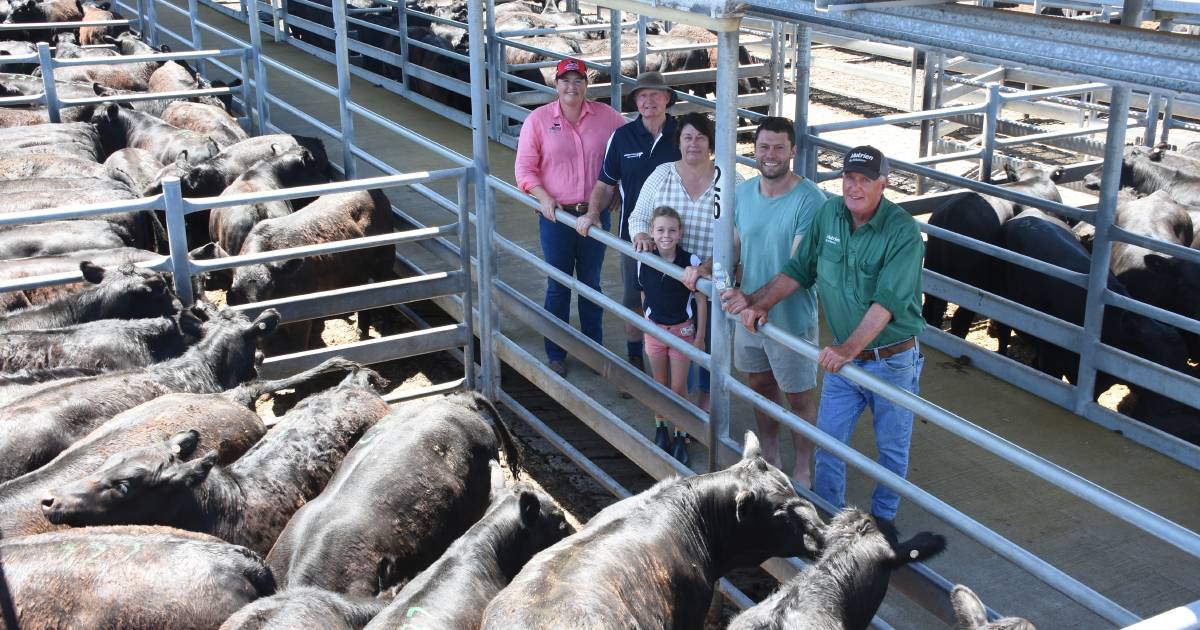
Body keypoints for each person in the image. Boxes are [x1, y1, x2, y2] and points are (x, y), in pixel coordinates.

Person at [729, 145, 925, 525]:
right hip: (844, 361)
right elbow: (799, 269)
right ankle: (831, 519)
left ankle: (883, 524)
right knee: (829, 444)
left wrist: (847, 349)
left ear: (883, 184)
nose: (853, 187)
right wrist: (760, 302)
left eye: (864, 180)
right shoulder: (830, 213)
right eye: (848, 178)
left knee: (891, 450)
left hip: (892, 360)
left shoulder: (903, 232)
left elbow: (886, 302)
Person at [697, 116, 826, 486]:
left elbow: (798, 268)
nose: (770, 155)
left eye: (779, 148)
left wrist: (750, 300)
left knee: (798, 396)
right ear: (754, 150)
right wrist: (707, 267)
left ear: (793, 152)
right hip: (748, 314)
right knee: (760, 385)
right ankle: (771, 455)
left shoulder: (810, 200)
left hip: (787, 317)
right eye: (764, 147)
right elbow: (736, 245)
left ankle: (803, 466)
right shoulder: (746, 193)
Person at [515, 57, 627, 377]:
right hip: (557, 217)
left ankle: (593, 350)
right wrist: (542, 196)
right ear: (556, 85)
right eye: (566, 81)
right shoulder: (537, 120)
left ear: (587, 85)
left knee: (591, 284)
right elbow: (524, 168)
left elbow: (626, 150)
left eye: (578, 81)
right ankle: (556, 351)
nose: (572, 87)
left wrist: (619, 187)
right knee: (559, 284)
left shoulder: (608, 118)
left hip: (594, 216)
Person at [628, 112, 743, 414]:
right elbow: (638, 216)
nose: (694, 143)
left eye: (701, 137)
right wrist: (641, 234)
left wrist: (707, 267)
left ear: (711, 143)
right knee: (673, 344)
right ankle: (677, 409)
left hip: (712, 278)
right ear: (678, 142)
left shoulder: (729, 179)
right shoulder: (662, 174)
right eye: (687, 137)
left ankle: (704, 408)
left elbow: (739, 235)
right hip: (669, 276)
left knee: (709, 345)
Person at [578, 71, 681, 372]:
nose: (649, 101)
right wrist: (593, 211)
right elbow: (605, 183)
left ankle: (672, 360)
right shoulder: (622, 137)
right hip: (631, 235)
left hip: (676, 236)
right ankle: (636, 355)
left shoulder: (682, 134)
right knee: (633, 298)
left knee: (674, 300)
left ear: (667, 99)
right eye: (642, 95)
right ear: (635, 101)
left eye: (655, 95)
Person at [636, 206, 706, 464]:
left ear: (680, 234)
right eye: (660, 230)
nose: (666, 235)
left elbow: (700, 301)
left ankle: (680, 434)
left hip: (682, 331)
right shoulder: (644, 258)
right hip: (655, 330)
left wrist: (698, 337)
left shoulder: (691, 261)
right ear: (652, 233)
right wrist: (646, 320)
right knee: (660, 383)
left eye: (672, 230)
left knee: (679, 387)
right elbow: (643, 291)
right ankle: (661, 428)